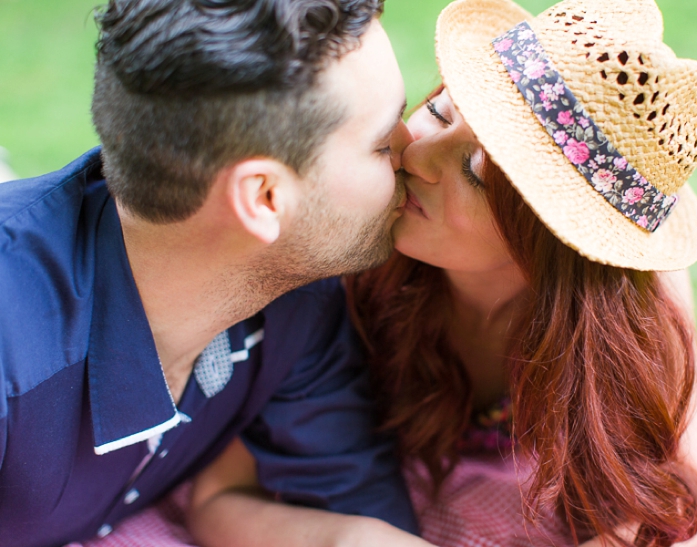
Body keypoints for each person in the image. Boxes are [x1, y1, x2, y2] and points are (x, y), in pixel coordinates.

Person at [183, 0, 697, 545]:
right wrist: (355, 540)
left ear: (554, 241)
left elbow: (674, 496)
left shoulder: (627, 314)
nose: (415, 157)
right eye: (441, 112)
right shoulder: (340, 259)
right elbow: (217, 498)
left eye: (475, 172)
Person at [0, 0, 427, 545]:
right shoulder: (11, 355)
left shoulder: (300, 303)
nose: (414, 153)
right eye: (382, 143)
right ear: (264, 197)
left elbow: (355, 500)